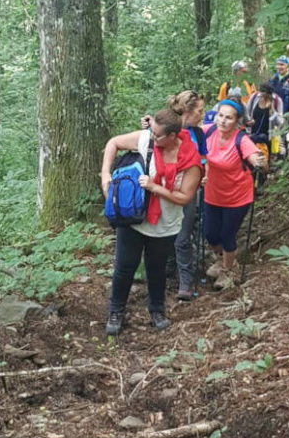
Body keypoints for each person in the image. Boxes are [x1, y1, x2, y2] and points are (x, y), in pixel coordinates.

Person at [101, 109, 202, 335]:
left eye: (157, 135)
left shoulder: (191, 160)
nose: (152, 137)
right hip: (135, 217)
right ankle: (116, 311)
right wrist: (105, 175)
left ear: (173, 136)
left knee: (156, 269)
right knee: (124, 266)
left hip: (166, 223)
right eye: (151, 132)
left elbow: (185, 197)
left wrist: (156, 188)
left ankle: (157, 310)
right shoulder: (146, 138)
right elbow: (113, 143)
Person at [202, 99, 264, 290]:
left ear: (237, 120)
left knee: (227, 234)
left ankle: (228, 271)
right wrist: (152, 124)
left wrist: (258, 161)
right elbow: (182, 131)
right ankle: (223, 260)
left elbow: (253, 155)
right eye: (220, 115)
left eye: (228, 118)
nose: (222, 121)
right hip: (212, 193)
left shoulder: (241, 140)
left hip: (237, 196)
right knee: (211, 234)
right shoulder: (208, 131)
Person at [165, 91, 207, 301]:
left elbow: (202, 158)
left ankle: (185, 281)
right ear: (187, 112)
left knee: (183, 235)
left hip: (189, 190)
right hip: (165, 188)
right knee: (166, 233)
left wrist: (202, 173)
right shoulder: (167, 130)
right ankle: (169, 269)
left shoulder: (198, 134)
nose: (202, 114)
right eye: (199, 110)